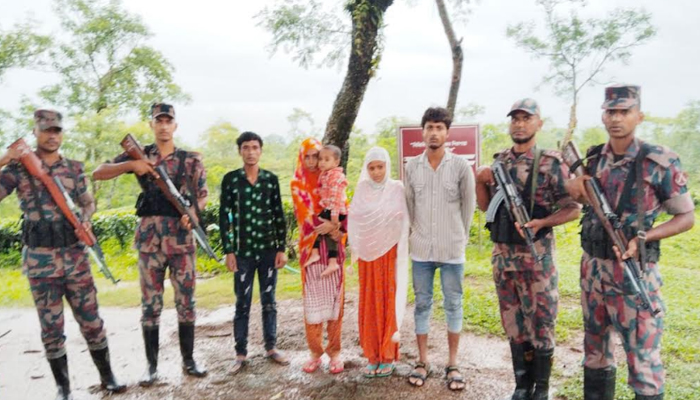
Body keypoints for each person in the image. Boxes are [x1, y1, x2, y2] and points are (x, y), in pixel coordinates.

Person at [565, 85, 694, 400]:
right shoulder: (593, 159)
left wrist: (645, 237)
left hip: (635, 275)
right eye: (611, 111)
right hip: (593, 273)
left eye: (624, 111)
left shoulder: (659, 161)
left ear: (639, 116)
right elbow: (580, 200)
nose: (616, 118)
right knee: (595, 351)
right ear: (603, 116)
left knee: (643, 361)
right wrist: (574, 187)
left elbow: (686, 217)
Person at [0, 110, 125, 400]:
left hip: (75, 257)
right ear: (35, 132)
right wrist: (5, 158)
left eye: (56, 130)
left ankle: (108, 377)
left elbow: (87, 202)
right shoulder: (18, 169)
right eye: (46, 130)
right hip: (40, 261)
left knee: (92, 321)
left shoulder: (73, 168)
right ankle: (63, 389)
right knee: (51, 328)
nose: (52, 135)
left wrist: (86, 219)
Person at [92, 103, 208, 385]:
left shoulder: (190, 160)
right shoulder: (140, 154)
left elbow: (202, 194)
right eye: (159, 121)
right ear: (152, 125)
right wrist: (132, 165)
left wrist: (193, 215)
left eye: (168, 121)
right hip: (149, 242)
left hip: (181, 240)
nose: (164, 126)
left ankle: (189, 361)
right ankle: (151, 367)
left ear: (175, 126)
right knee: (150, 306)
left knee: (186, 302)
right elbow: (98, 172)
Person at [475, 99, 581, 400]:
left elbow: (573, 209)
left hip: (537, 259)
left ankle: (541, 389)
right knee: (513, 324)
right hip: (504, 259)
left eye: (526, 118)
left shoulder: (551, 162)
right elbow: (486, 207)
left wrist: (542, 222)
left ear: (539, 124)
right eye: (515, 119)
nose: (519, 124)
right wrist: (480, 181)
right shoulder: (499, 162)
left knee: (542, 323)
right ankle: (522, 386)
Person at [404, 107, 476, 391]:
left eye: (439, 128)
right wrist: (415, 234)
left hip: (451, 250)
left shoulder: (460, 166)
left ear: (447, 133)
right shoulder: (412, 167)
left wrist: (460, 237)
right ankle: (422, 361)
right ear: (422, 132)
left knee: (453, 304)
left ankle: (453, 364)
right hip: (421, 250)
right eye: (429, 127)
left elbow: (468, 206)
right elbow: (410, 205)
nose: (434, 133)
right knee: (422, 304)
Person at [219, 131, 289, 374]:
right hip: (243, 253)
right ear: (240, 151)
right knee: (242, 303)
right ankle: (240, 353)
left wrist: (281, 248)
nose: (250, 152)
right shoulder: (231, 180)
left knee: (269, 301)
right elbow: (224, 217)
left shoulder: (270, 180)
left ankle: (271, 347)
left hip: (268, 250)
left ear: (261, 150)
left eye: (255, 147)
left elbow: (278, 215)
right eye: (246, 147)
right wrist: (229, 251)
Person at [348, 146, 410, 378]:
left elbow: (403, 219)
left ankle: (387, 354)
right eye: (371, 168)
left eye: (380, 167)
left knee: (387, 301)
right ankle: (372, 355)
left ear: (387, 166)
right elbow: (355, 219)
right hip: (367, 256)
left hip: (389, 254)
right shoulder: (362, 189)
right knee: (370, 302)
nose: (375, 172)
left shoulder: (396, 188)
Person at [291, 138, 346, 375]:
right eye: (308, 156)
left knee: (335, 302)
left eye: (317, 156)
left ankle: (335, 351)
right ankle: (315, 351)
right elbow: (306, 216)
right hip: (310, 250)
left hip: (333, 247)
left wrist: (337, 226)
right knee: (312, 304)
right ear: (301, 158)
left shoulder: (332, 179)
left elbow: (344, 208)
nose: (313, 161)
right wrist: (330, 224)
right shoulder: (298, 183)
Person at [307, 144, 348, 277]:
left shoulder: (334, 176)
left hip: (335, 212)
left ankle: (321, 256)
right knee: (325, 230)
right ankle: (328, 259)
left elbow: (335, 199)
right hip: (330, 210)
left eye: (326, 159)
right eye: (320, 159)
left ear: (336, 162)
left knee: (318, 223)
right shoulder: (324, 175)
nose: (321, 162)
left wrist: (335, 222)